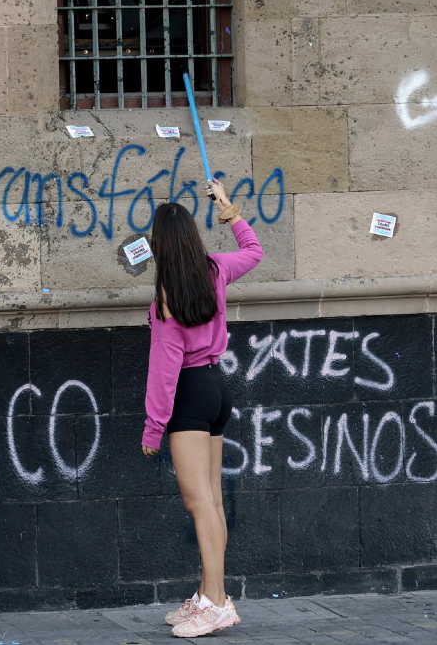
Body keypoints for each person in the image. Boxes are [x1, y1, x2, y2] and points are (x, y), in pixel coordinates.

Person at [140, 180, 263, 638]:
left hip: (190, 396)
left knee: (200, 503)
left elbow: (163, 371)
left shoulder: (167, 301)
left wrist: (154, 429)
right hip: (216, 387)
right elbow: (253, 250)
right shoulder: (216, 269)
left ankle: (216, 603)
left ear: (159, 247)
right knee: (210, 501)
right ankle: (210, 595)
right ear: (192, 238)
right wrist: (229, 211)